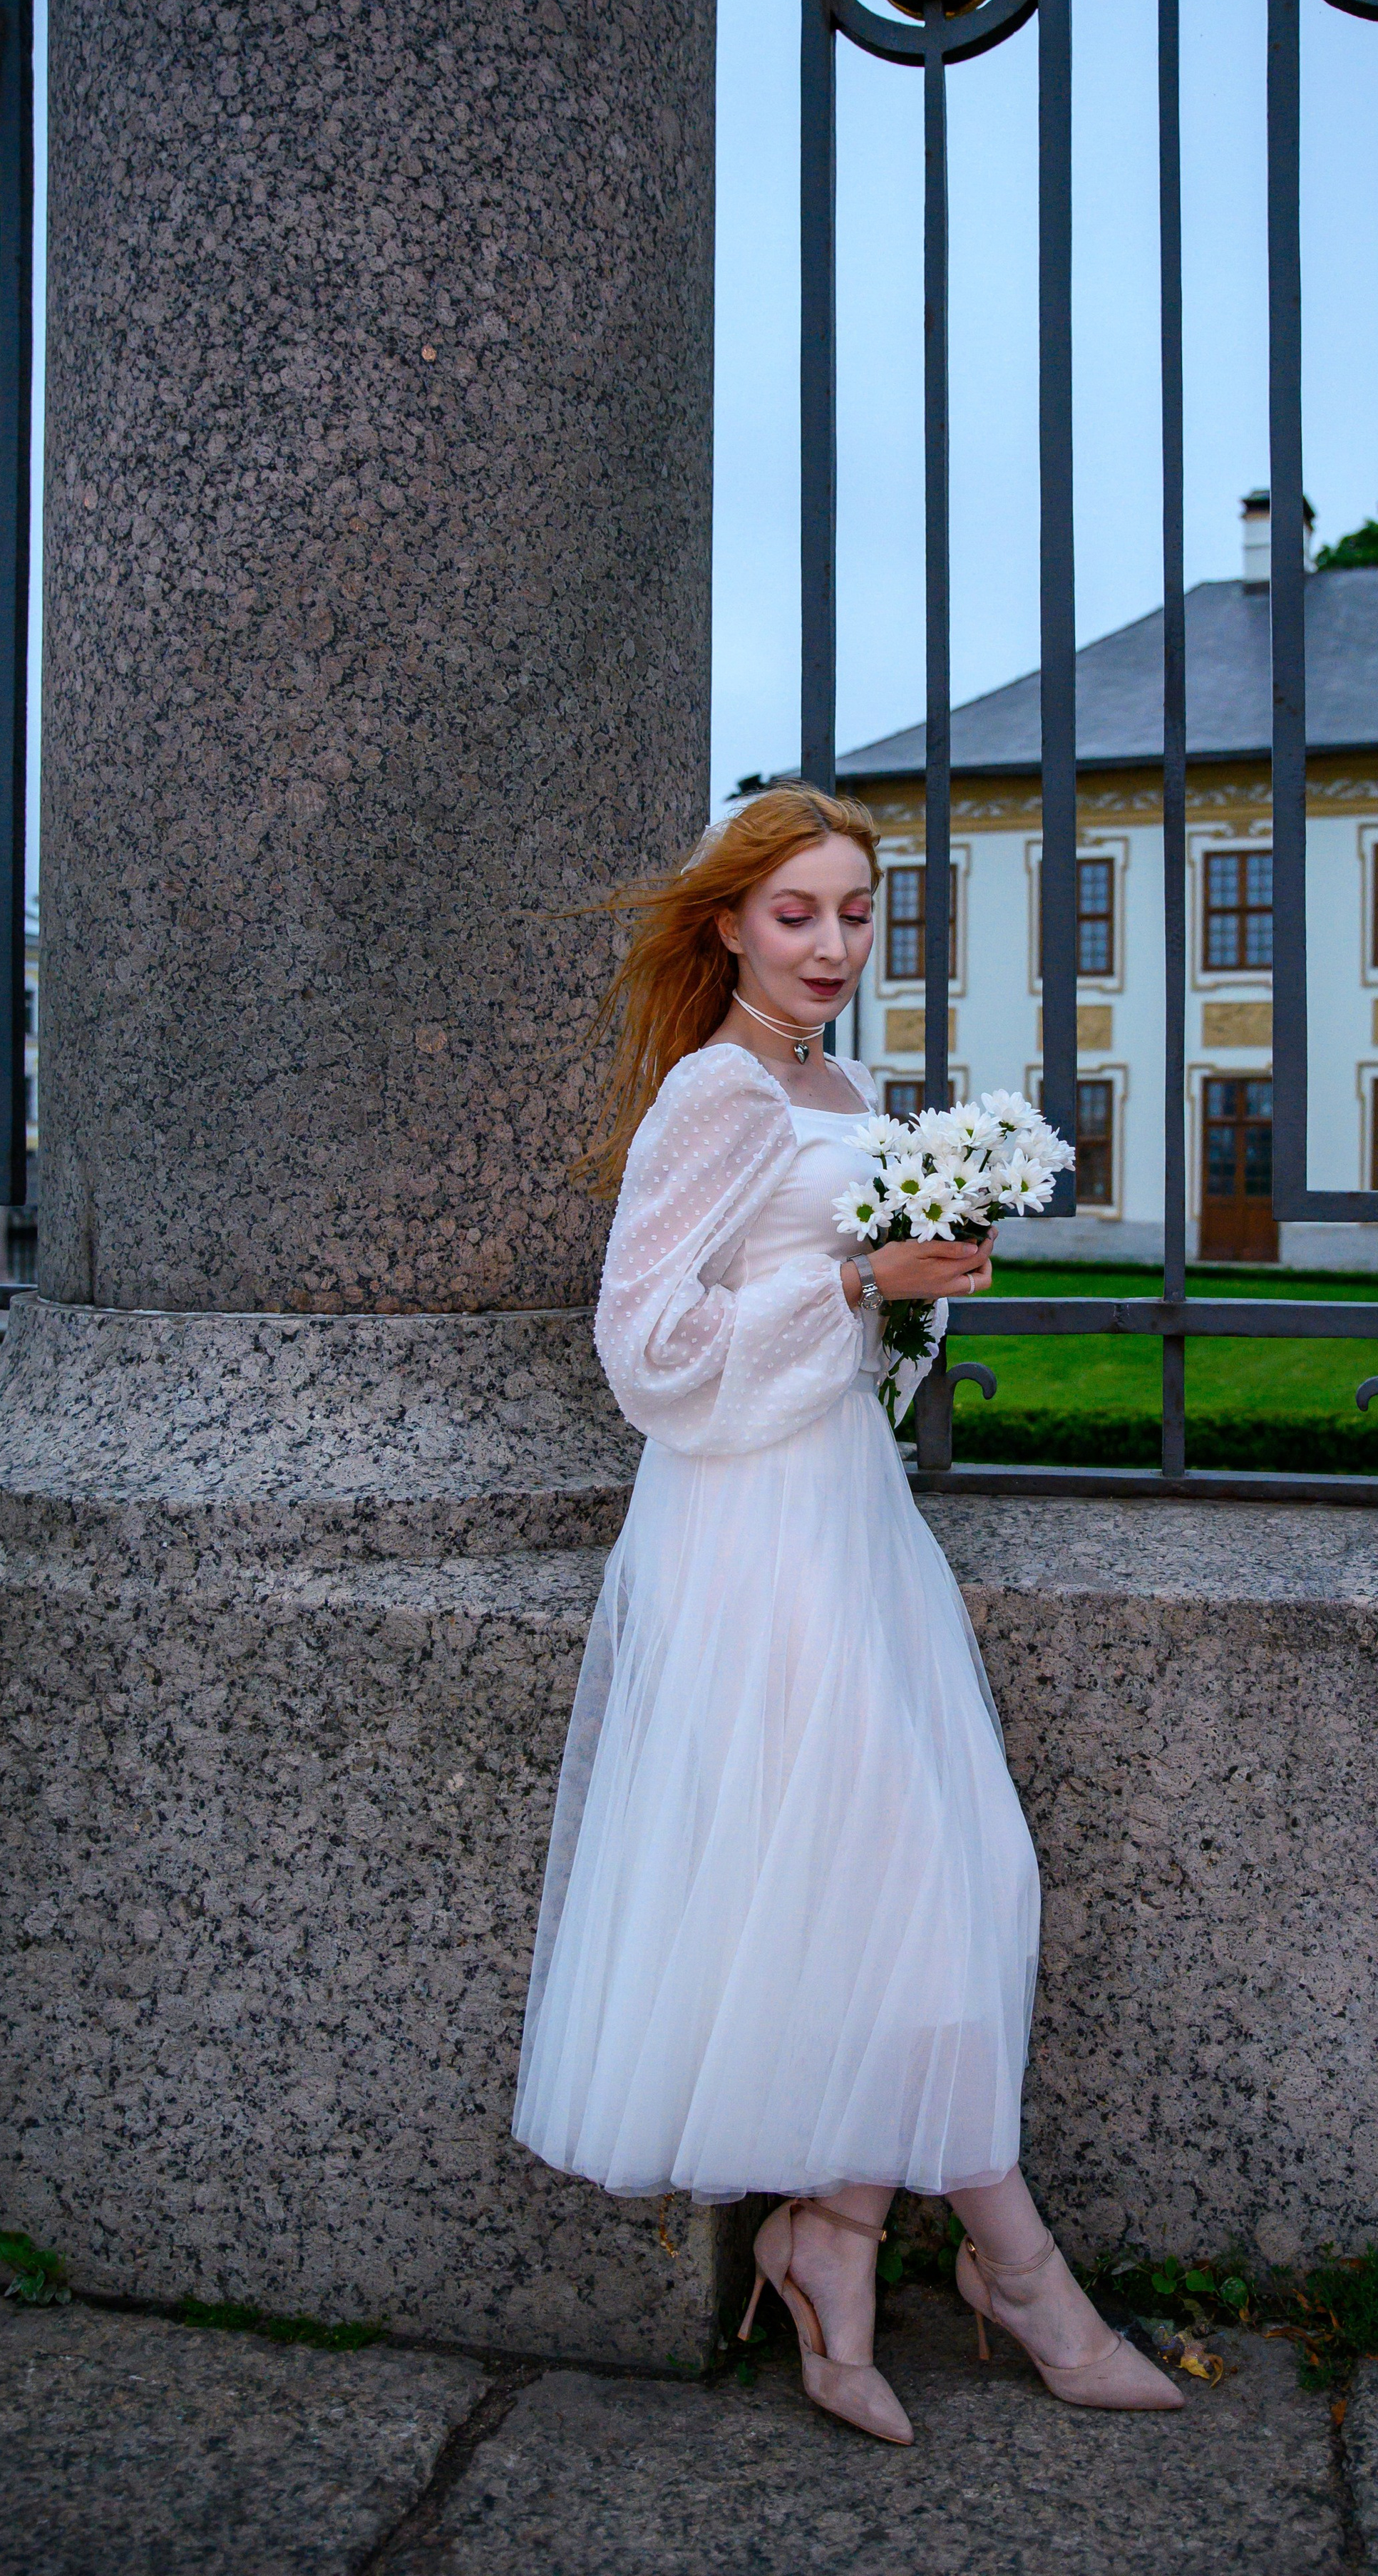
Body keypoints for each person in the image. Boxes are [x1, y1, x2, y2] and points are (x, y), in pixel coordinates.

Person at [513, 785, 1181, 2443]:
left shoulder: (847, 1088)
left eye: (857, 912)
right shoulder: (718, 1090)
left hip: (849, 1517)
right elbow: (644, 1346)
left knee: (927, 1881)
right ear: (729, 923)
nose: (830, 944)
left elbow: (858, 1357)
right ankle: (1019, 2280)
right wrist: (855, 1280)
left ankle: (837, 2240)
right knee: (920, 1878)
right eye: (796, 911)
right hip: (746, 1535)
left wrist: (917, 1278)